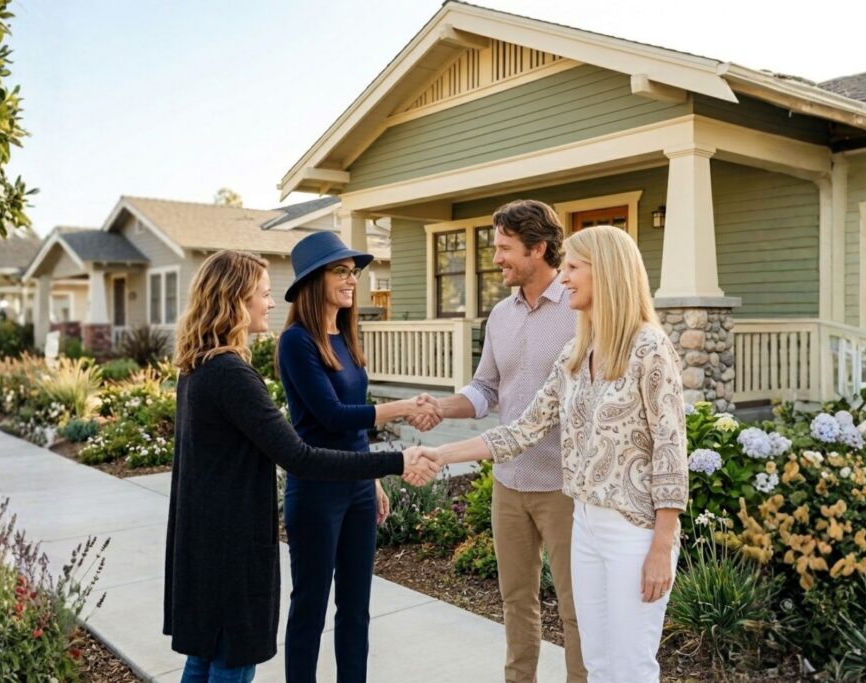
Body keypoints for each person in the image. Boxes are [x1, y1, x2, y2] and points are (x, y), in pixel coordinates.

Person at [422, 225, 688, 683]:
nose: (564, 278)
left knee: (631, 666)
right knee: (598, 661)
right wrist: (442, 454)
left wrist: (662, 545)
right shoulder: (576, 351)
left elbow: (670, 447)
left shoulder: (649, 347)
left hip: (633, 530)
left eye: (573, 268)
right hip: (584, 522)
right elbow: (521, 429)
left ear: (606, 272)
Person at [162, 249, 439, 683]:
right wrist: (397, 460)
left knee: (205, 657)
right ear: (235, 299)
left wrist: (370, 473)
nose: (271, 305)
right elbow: (299, 455)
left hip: (207, 537)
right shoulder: (232, 373)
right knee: (232, 661)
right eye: (264, 295)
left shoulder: (197, 368)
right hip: (232, 544)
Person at [412, 199, 585, 682]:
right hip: (509, 482)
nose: (495, 259)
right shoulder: (500, 316)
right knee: (515, 602)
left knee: (576, 608)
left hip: (564, 486)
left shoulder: (579, 309)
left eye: (505, 248)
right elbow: (486, 388)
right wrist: (440, 407)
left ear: (539, 248)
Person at [276, 231, 442, 683]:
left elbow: (352, 426)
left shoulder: (346, 337)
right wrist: (404, 407)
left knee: (356, 607)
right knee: (309, 607)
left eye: (354, 272)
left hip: (356, 488)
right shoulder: (296, 342)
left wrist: (370, 477)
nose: (353, 281)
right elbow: (331, 416)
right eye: (342, 271)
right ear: (315, 280)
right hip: (315, 490)